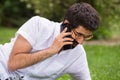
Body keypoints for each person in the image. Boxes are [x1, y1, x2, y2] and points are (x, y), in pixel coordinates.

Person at [0, 2, 100, 80]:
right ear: (66, 24)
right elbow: (13, 63)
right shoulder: (38, 25)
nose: (81, 42)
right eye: (79, 34)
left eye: (86, 37)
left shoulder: (78, 55)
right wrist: (51, 51)